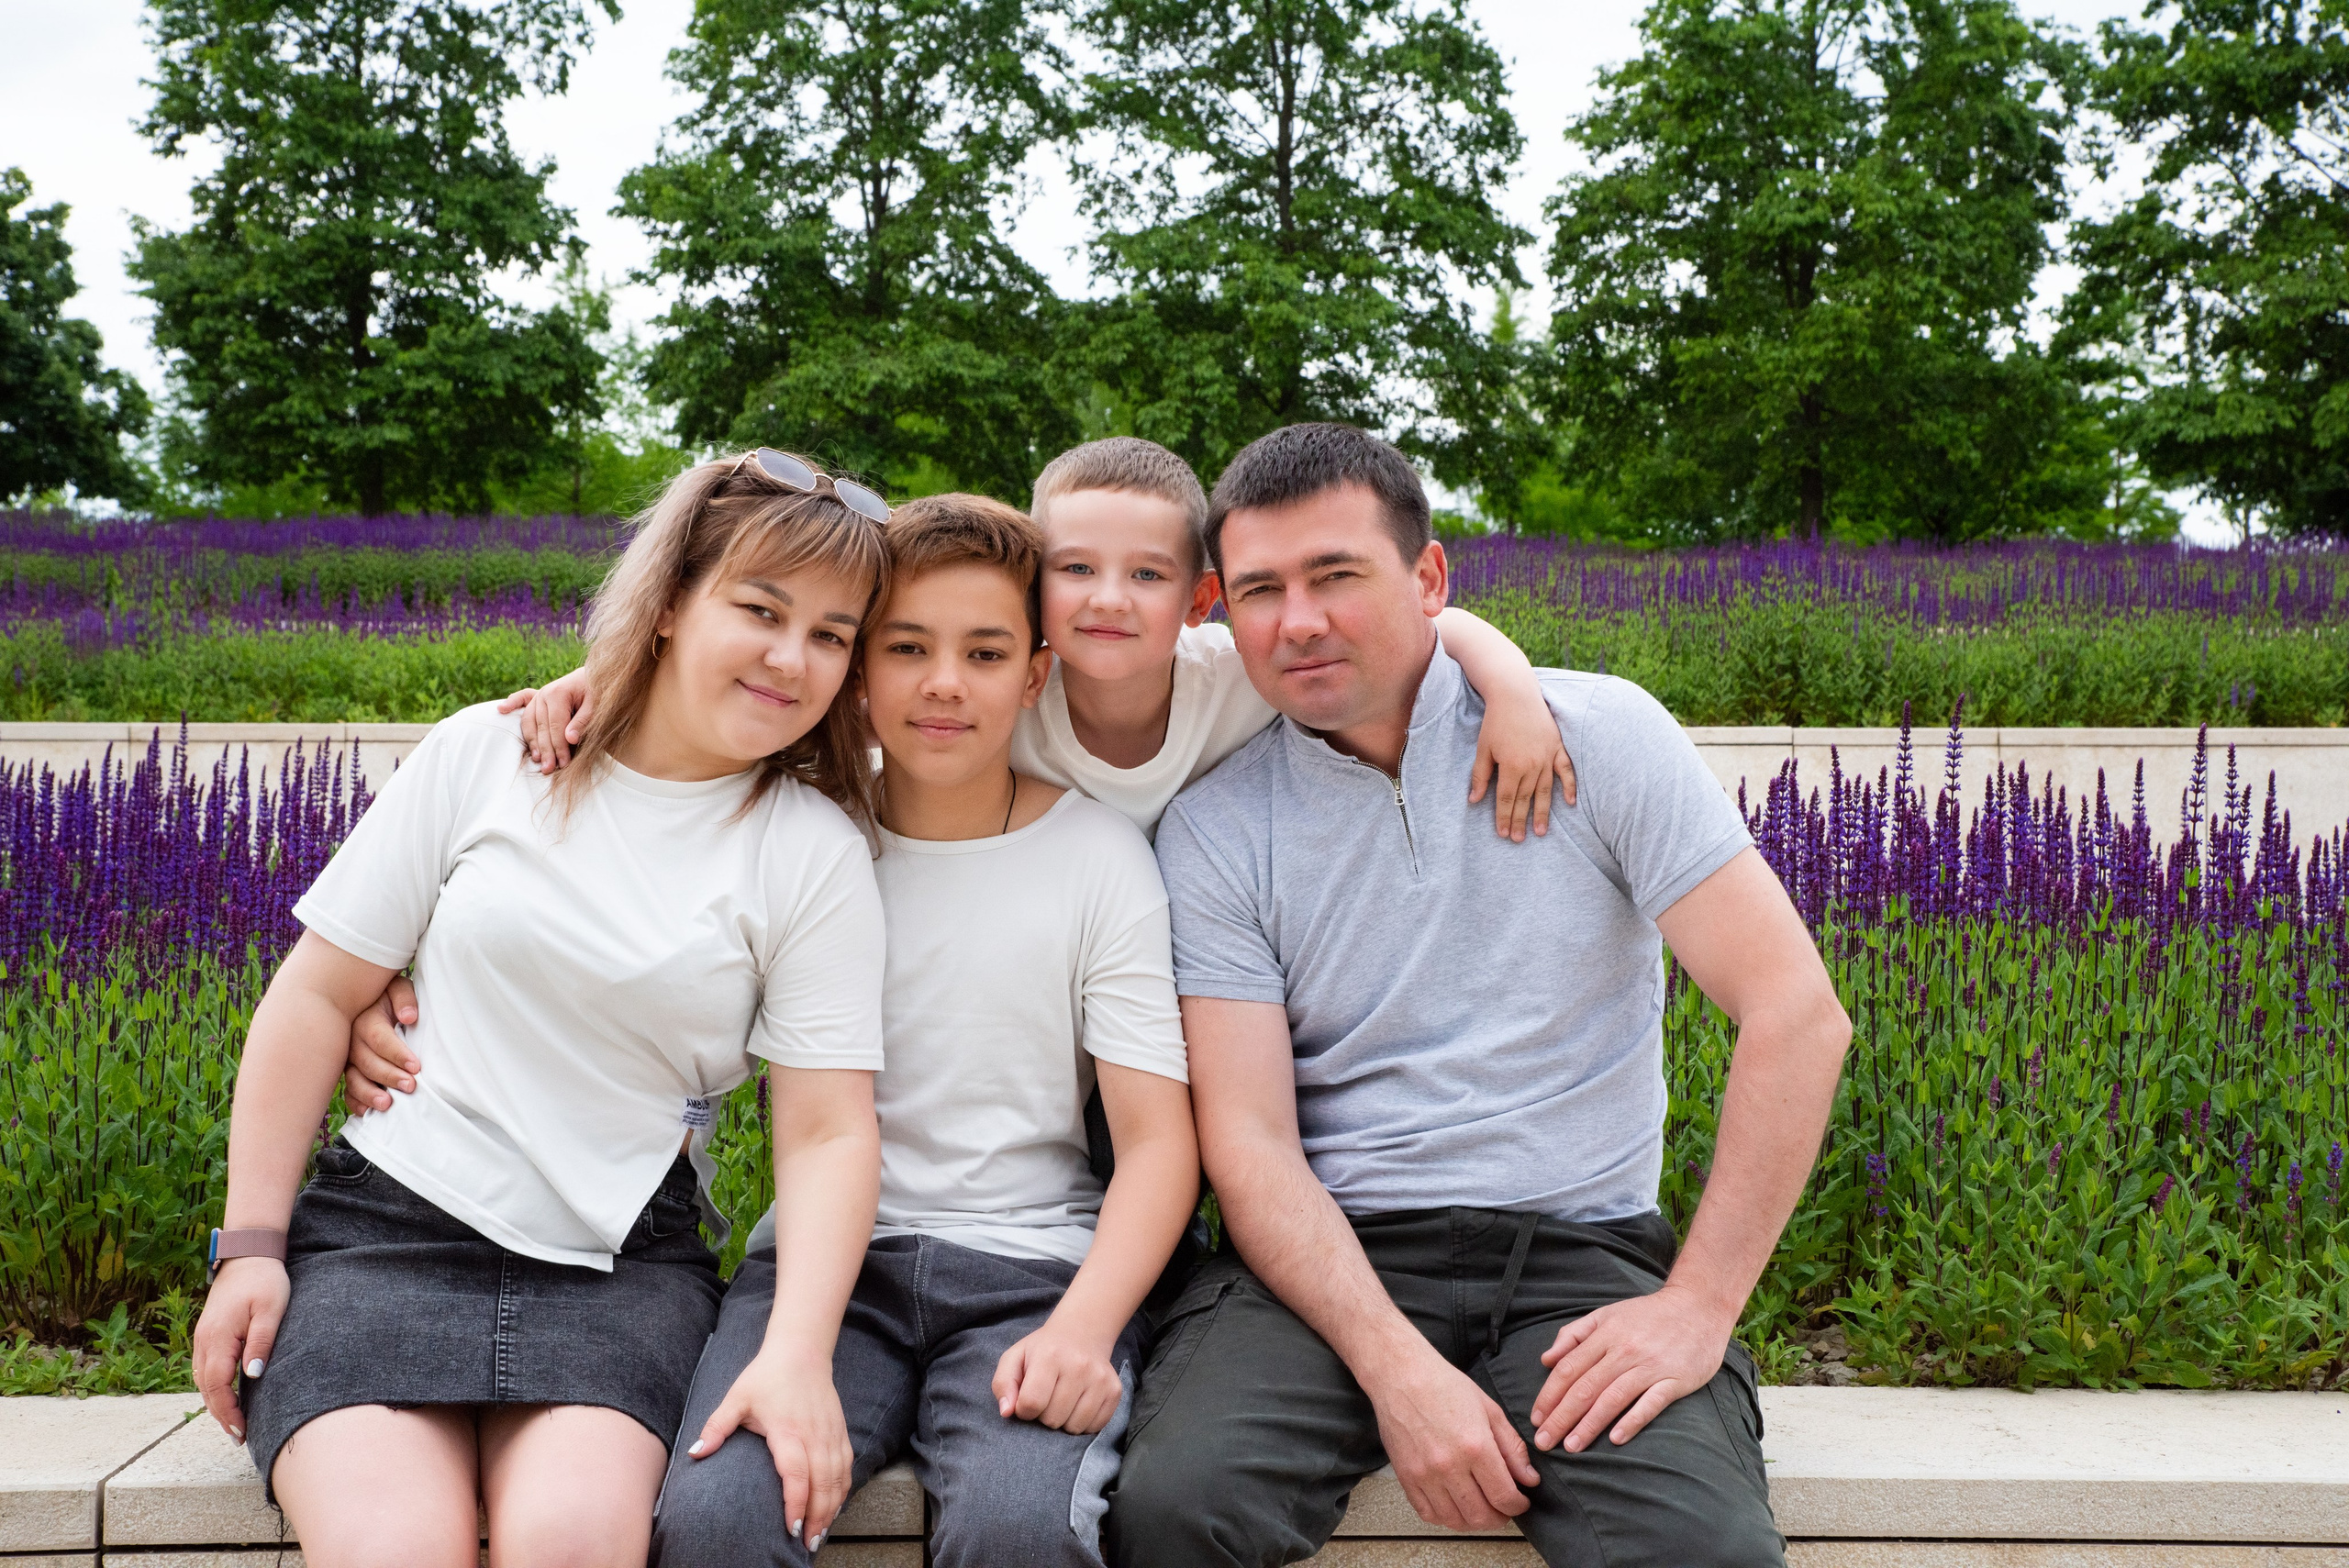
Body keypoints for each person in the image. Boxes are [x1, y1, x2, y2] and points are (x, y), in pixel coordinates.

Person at [350, 495, 1202, 1568]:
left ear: (1034, 675)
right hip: (818, 1275)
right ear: (856, 667)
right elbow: (600, 913)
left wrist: (1084, 1327)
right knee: (716, 1516)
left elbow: (1159, 1140)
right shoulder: (796, 833)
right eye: (903, 648)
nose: (944, 682)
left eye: (985, 652)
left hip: (1033, 1275)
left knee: (1018, 1527)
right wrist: (595, 689)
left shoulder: (1098, 859)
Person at [1101, 423, 1853, 1568]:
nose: (1296, 619)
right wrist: (1399, 1368)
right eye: (1260, 589)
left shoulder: (1600, 737)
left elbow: (1797, 1014)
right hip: (1324, 1263)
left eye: (1335, 575)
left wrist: (1697, 1308)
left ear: (1429, 578)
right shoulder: (1215, 826)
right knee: (1172, 1508)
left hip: (1574, 1253)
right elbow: (1247, 1135)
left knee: (1701, 1551)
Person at [190, 452, 896, 1568]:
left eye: (831, 633)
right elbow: (315, 995)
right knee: (393, 1548)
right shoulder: (490, 753)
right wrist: (251, 1249)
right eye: (759, 609)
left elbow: (827, 1127)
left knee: (570, 1544)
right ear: (669, 602)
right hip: (386, 1238)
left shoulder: (810, 852)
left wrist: (797, 1353)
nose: (790, 656)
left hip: (619, 1268)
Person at [501, 436, 1576, 843]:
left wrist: (1513, 690)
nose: (1107, 598)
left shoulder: (1236, 674)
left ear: (1201, 600)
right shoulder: (998, 690)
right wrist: (602, 674)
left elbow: (1417, 621)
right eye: (1072, 569)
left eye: (1147, 575)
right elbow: (825, 655)